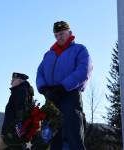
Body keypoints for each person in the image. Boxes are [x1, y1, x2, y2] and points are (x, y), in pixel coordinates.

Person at [36, 21, 93, 150]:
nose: (59, 37)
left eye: (61, 33)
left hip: (70, 97)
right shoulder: (48, 54)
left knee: (73, 136)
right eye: (56, 35)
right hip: (51, 99)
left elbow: (84, 70)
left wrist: (63, 87)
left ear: (70, 33)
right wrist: (44, 89)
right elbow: (39, 72)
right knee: (53, 137)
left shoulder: (79, 49)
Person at [1, 72, 34, 149]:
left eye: (13, 79)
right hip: (16, 130)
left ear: (19, 80)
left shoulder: (20, 91)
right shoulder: (23, 91)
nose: (11, 82)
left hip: (13, 131)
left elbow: (20, 113)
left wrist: (14, 132)